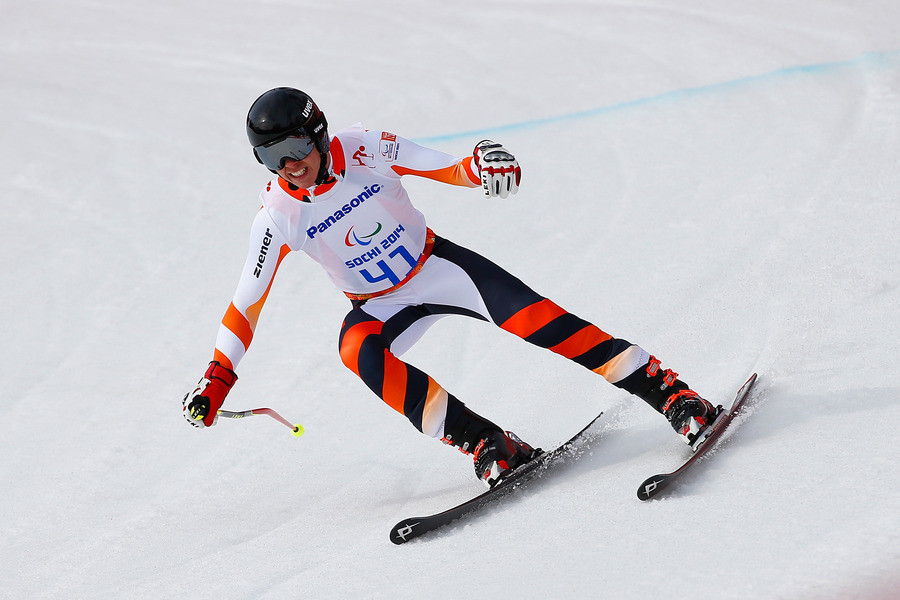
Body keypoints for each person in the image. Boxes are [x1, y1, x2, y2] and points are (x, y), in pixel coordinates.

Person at [183, 87, 719, 487]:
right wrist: (218, 375)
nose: (291, 166)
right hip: (380, 303)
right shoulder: (276, 215)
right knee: (355, 350)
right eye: (273, 157)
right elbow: (245, 306)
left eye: (296, 146)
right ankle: (488, 442)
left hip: (437, 266)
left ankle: (672, 394)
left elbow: (450, 168)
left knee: (540, 322)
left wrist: (481, 166)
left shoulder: (365, 148)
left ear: (319, 132)